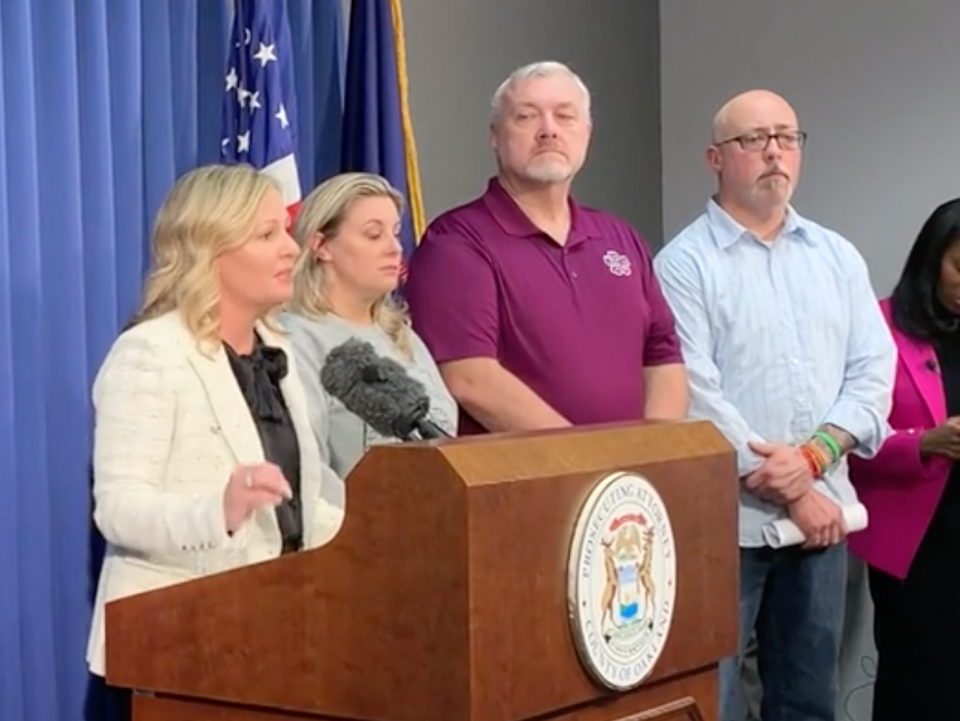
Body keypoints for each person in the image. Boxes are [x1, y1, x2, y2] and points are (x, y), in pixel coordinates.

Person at [652, 90, 896, 721]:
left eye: (787, 138)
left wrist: (814, 459)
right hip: (724, 524)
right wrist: (792, 488)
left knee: (809, 701)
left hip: (823, 526)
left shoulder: (836, 257)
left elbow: (874, 372)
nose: (773, 152)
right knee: (717, 700)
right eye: (752, 139)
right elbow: (694, 394)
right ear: (715, 158)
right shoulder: (682, 264)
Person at [87, 164, 344, 718]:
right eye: (266, 234)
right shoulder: (150, 354)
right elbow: (119, 510)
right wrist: (218, 510)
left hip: (284, 640)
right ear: (211, 250)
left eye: (285, 230)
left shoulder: (277, 351)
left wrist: (379, 534)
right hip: (176, 654)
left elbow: (297, 506)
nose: (291, 250)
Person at [404, 61, 688, 433]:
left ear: (586, 132)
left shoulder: (621, 238)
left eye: (565, 116)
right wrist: (586, 460)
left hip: (627, 487)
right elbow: (469, 378)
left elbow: (662, 354)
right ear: (495, 135)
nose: (549, 131)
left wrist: (651, 456)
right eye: (526, 117)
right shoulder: (457, 243)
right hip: (521, 483)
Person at [848, 198, 960, 721]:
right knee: (920, 679)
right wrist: (923, 443)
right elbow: (851, 434)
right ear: (931, 259)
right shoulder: (881, 328)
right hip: (920, 541)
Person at [283, 172, 457, 506]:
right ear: (321, 246)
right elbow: (306, 474)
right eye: (373, 235)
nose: (395, 248)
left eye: (394, 233)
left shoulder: (402, 336)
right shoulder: (294, 339)